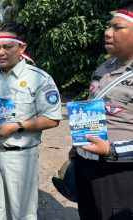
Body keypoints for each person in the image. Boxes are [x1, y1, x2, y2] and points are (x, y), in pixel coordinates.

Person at [0, 20, 62, 219]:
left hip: (22, 157)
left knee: (22, 214)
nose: (0, 52)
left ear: (22, 47)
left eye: (7, 47)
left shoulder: (39, 78)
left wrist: (16, 127)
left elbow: (52, 118)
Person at [73, 2, 133, 219]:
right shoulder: (105, 68)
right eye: (109, 26)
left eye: (118, 28)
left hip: (121, 174)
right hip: (87, 165)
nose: (107, 33)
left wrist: (112, 150)